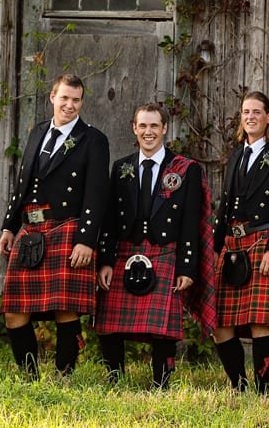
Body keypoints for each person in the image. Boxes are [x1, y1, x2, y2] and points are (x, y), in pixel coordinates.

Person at [94, 103, 217, 389]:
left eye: (153, 126)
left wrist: (186, 267)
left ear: (164, 129)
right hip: (126, 252)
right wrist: (106, 261)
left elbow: (190, 223)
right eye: (142, 126)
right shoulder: (121, 167)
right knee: (108, 322)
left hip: (165, 252)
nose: (148, 132)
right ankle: (115, 378)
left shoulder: (185, 169)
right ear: (134, 129)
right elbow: (110, 220)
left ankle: (161, 382)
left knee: (164, 329)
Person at [0, 74, 110, 379]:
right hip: (30, 230)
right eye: (64, 98)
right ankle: (29, 375)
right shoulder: (37, 132)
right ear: (52, 97)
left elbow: (97, 194)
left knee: (65, 308)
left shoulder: (93, 139)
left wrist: (86, 239)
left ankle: (64, 375)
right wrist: (9, 226)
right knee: (14, 310)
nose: (69, 105)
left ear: (81, 102)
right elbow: (22, 184)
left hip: (67, 229)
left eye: (76, 100)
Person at [211, 91, 269, 394]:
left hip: (264, 241)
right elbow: (224, 209)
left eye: (256, 112)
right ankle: (239, 386)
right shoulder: (236, 156)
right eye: (245, 112)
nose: (250, 117)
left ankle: (263, 390)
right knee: (219, 324)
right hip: (232, 244)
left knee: (259, 321)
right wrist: (214, 249)